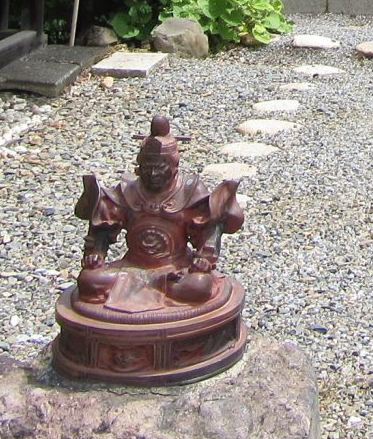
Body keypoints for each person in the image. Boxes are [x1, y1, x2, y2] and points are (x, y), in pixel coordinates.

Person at [72, 115, 244, 313]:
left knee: (197, 286)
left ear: (174, 167)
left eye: (160, 168)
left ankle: (164, 295)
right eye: (147, 168)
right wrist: (96, 254)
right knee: (89, 280)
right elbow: (102, 226)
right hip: (132, 267)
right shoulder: (127, 190)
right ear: (139, 167)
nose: (153, 175)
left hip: (174, 268)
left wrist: (204, 258)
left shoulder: (189, 191)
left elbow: (208, 228)